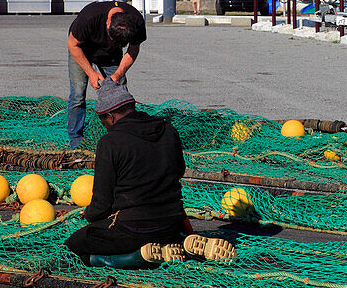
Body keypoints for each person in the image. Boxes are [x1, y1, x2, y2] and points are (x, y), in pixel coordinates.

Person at [64, 79, 235, 268]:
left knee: (74, 245)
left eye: (102, 119)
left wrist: (88, 215)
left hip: (133, 229)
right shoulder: (168, 131)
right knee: (155, 232)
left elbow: (101, 206)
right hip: (171, 224)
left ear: (111, 116)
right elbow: (179, 171)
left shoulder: (110, 142)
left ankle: (136, 257)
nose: (103, 124)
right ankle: (181, 245)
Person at [66, 0, 146, 149]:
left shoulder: (136, 21)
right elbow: (73, 44)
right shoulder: (89, 17)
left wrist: (118, 74)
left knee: (120, 92)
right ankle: (75, 141)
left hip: (111, 56)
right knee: (77, 94)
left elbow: (133, 50)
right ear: (108, 22)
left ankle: (124, 135)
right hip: (81, 51)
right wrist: (91, 73)